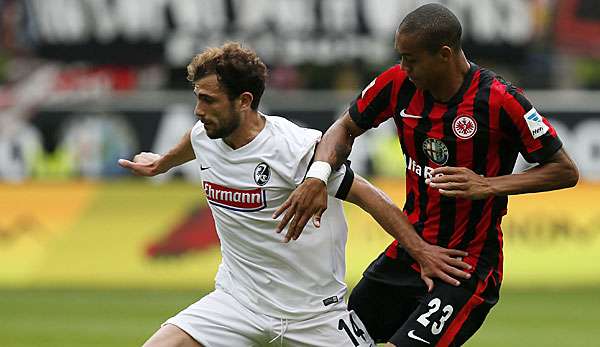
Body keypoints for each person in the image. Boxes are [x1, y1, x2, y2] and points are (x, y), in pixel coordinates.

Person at [118, 42, 471, 347]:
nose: (199, 111)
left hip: (313, 315)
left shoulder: (296, 149)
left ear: (244, 101)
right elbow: (192, 141)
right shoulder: (204, 134)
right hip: (237, 302)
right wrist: (162, 163)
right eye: (198, 99)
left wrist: (422, 252)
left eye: (209, 100)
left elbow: (368, 195)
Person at [274, 4, 579, 347]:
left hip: (464, 267)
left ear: (444, 54)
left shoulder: (500, 101)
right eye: (401, 57)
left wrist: (488, 185)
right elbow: (344, 126)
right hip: (408, 253)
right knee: (338, 342)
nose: (404, 67)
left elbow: (564, 170)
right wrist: (317, 176)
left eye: (411, 59)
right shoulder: (397, 84)